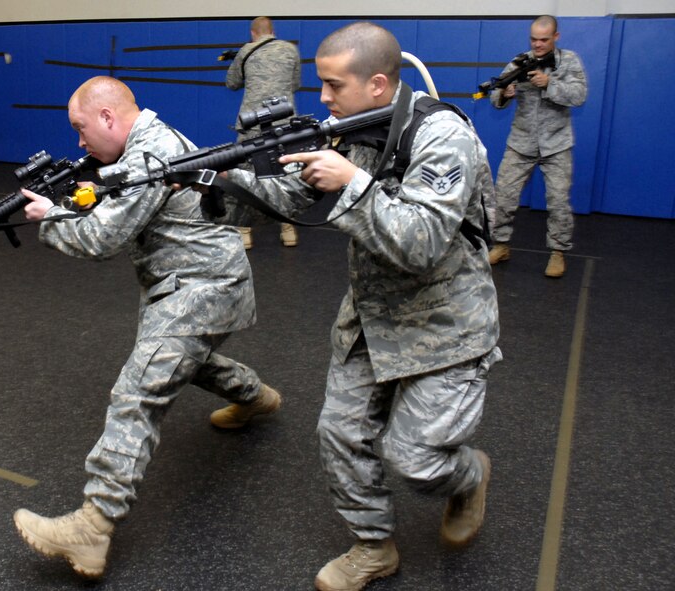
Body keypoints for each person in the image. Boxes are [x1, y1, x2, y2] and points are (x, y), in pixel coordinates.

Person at [217, 22, 502, 591]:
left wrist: (352, 183)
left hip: (445, 321)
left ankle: (469, 476)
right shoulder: (350, 128)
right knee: (339, 436)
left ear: (377, 84)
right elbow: (296, 195)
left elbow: (420, 242)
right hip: (372, 315)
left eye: (331, 85)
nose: (322, 98)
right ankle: (373, 547)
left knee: (417, 460)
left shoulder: (443, 137)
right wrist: (221, 176)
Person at [12, 76, 282, 579]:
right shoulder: (146, 147)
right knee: (185, 363)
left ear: (109, 118)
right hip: (190, 283)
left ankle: (93, 527)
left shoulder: (148, 156)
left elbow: (101, 237)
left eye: (81, 127)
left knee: (138, 391)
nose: (79, 141)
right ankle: (256, 397)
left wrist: (49, 216)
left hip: (201, 288)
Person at [487, 15, 587, 278]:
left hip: (556, 143)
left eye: (544, 39)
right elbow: (496, 95)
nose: (538, 44)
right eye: (534, 39)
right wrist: (503, 96)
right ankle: (501, 245)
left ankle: (557, 253)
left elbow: (579, 96)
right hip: (521, 142)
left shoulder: (569, 61)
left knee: (558, 202)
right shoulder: (520, 62)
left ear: (556, 37)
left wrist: (550, 84)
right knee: (504, 196)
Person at [225, 16, 302, 249]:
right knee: (286, 173)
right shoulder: (291, 50)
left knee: (246, 175)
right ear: (273, 31)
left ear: (253, 33)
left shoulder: (246, 51)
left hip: (253, 123)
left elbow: (232, 83)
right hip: (285, 120)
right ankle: (288, 229)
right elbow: (295, 85)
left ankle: (245, 231)